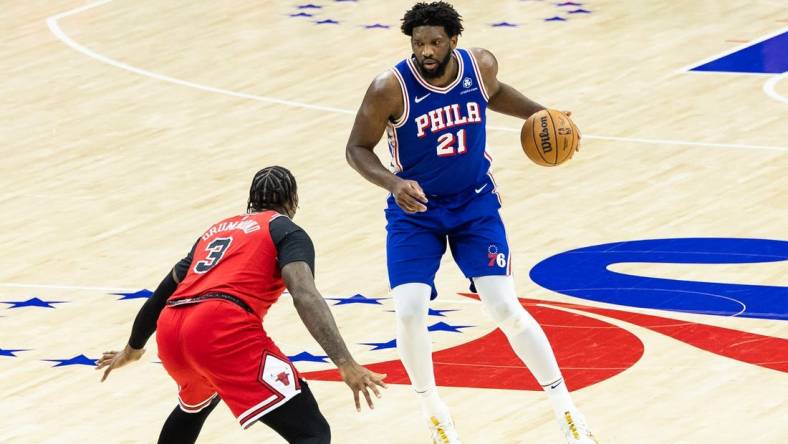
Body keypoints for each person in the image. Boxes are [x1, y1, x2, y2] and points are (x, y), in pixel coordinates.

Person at [344, 2, 594, 443]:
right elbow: (357, 149)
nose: (425, 51)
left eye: (435, 42)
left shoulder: (480, 65)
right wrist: (392, 183)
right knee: (409, 312)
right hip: (415, 212)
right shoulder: (390, 87)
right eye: (418, 43)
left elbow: (494, 94)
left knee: (505, 308)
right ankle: (433, 408)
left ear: (453, 41)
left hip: (474, 206)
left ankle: (565, 407)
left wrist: (544, 115)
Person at [96, 166, 386, 444]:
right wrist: (345, 363)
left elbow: (161, 294)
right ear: (293, 201)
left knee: (195, 406)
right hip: (220, 327)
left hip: (172, 328)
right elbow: (304, 294)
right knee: (311, 433)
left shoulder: (216, 232)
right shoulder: (286, 231)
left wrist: (133, 349)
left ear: (250, 200)